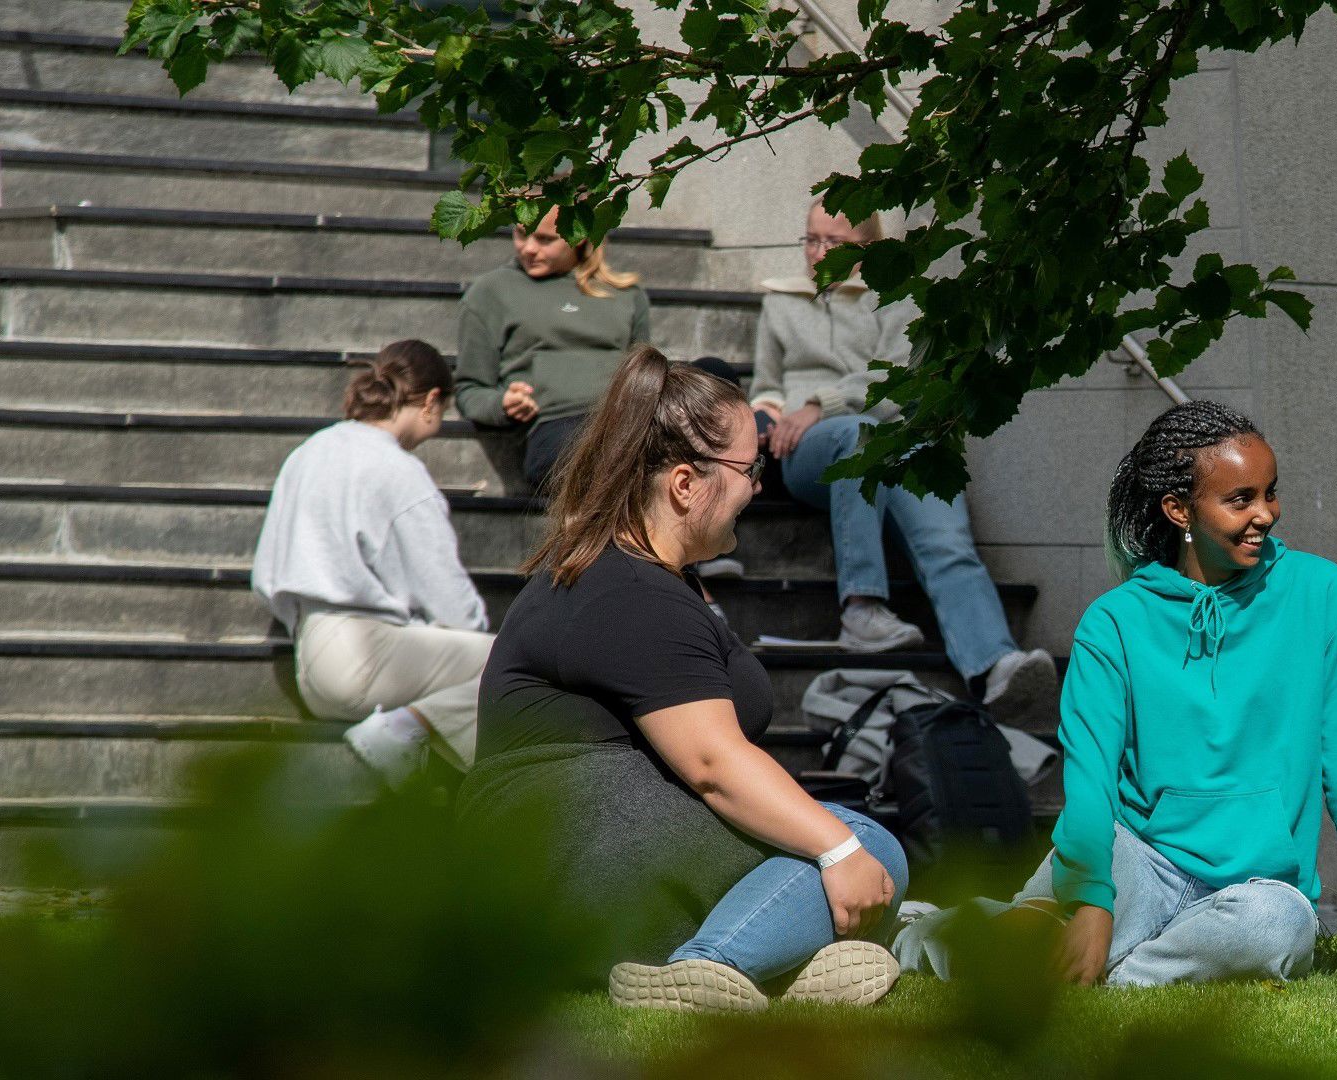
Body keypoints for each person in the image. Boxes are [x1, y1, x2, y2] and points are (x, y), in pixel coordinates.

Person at [895, 402, 1337, 988]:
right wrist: (1095, 901)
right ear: (1179, 510)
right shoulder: (1115, 623)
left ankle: (1092, 971)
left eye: (1270, 493)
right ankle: (927, 933)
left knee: (1279, 926)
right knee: (1041, 930)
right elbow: (1091, 784)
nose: (1266, 514)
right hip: (1138, 863)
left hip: (1259, 889)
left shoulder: (1324, 596)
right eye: (1240, 498)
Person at [456, 346, 908, 1013]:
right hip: (574, 846)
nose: (758, 486)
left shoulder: (624, 574)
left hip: (571, 850)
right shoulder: (634, 593)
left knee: (831, 853)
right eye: (748, 467)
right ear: (685, 484)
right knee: (862, 842)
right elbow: (712, 763)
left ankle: (764, 965)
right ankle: (699, 968)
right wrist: (837, 846)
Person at [753, 197, 1056, 724]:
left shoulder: (896, 301)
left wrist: (820, 402)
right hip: (809, 451)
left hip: (892, 438)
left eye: (834, 243)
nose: (818, 253)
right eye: (811, 239)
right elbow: (764, 389)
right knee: (862, 436)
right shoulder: (781, 302)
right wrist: (770, 418)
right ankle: (861, 609)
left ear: (870, 249)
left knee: (946, 539)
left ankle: (994, 664)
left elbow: (900, 386)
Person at [253, 339, 491, 787]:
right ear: (432, 402)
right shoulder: (397, 469)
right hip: (366, 652)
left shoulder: (309, 452)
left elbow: (267, 573)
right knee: (512, 665)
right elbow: (449, 597)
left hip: (312, 653)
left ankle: (414, 732)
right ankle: (407, 729)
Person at [453, 209, 653, 494]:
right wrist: (502, 403)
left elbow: (646, 374)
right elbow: (469, 390)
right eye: (521, 234)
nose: (529, 248)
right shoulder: (491, 292)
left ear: (580, 238)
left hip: (627, 419)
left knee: (714, 373)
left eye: (545, 239)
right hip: (558, 424)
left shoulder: (627, 294)